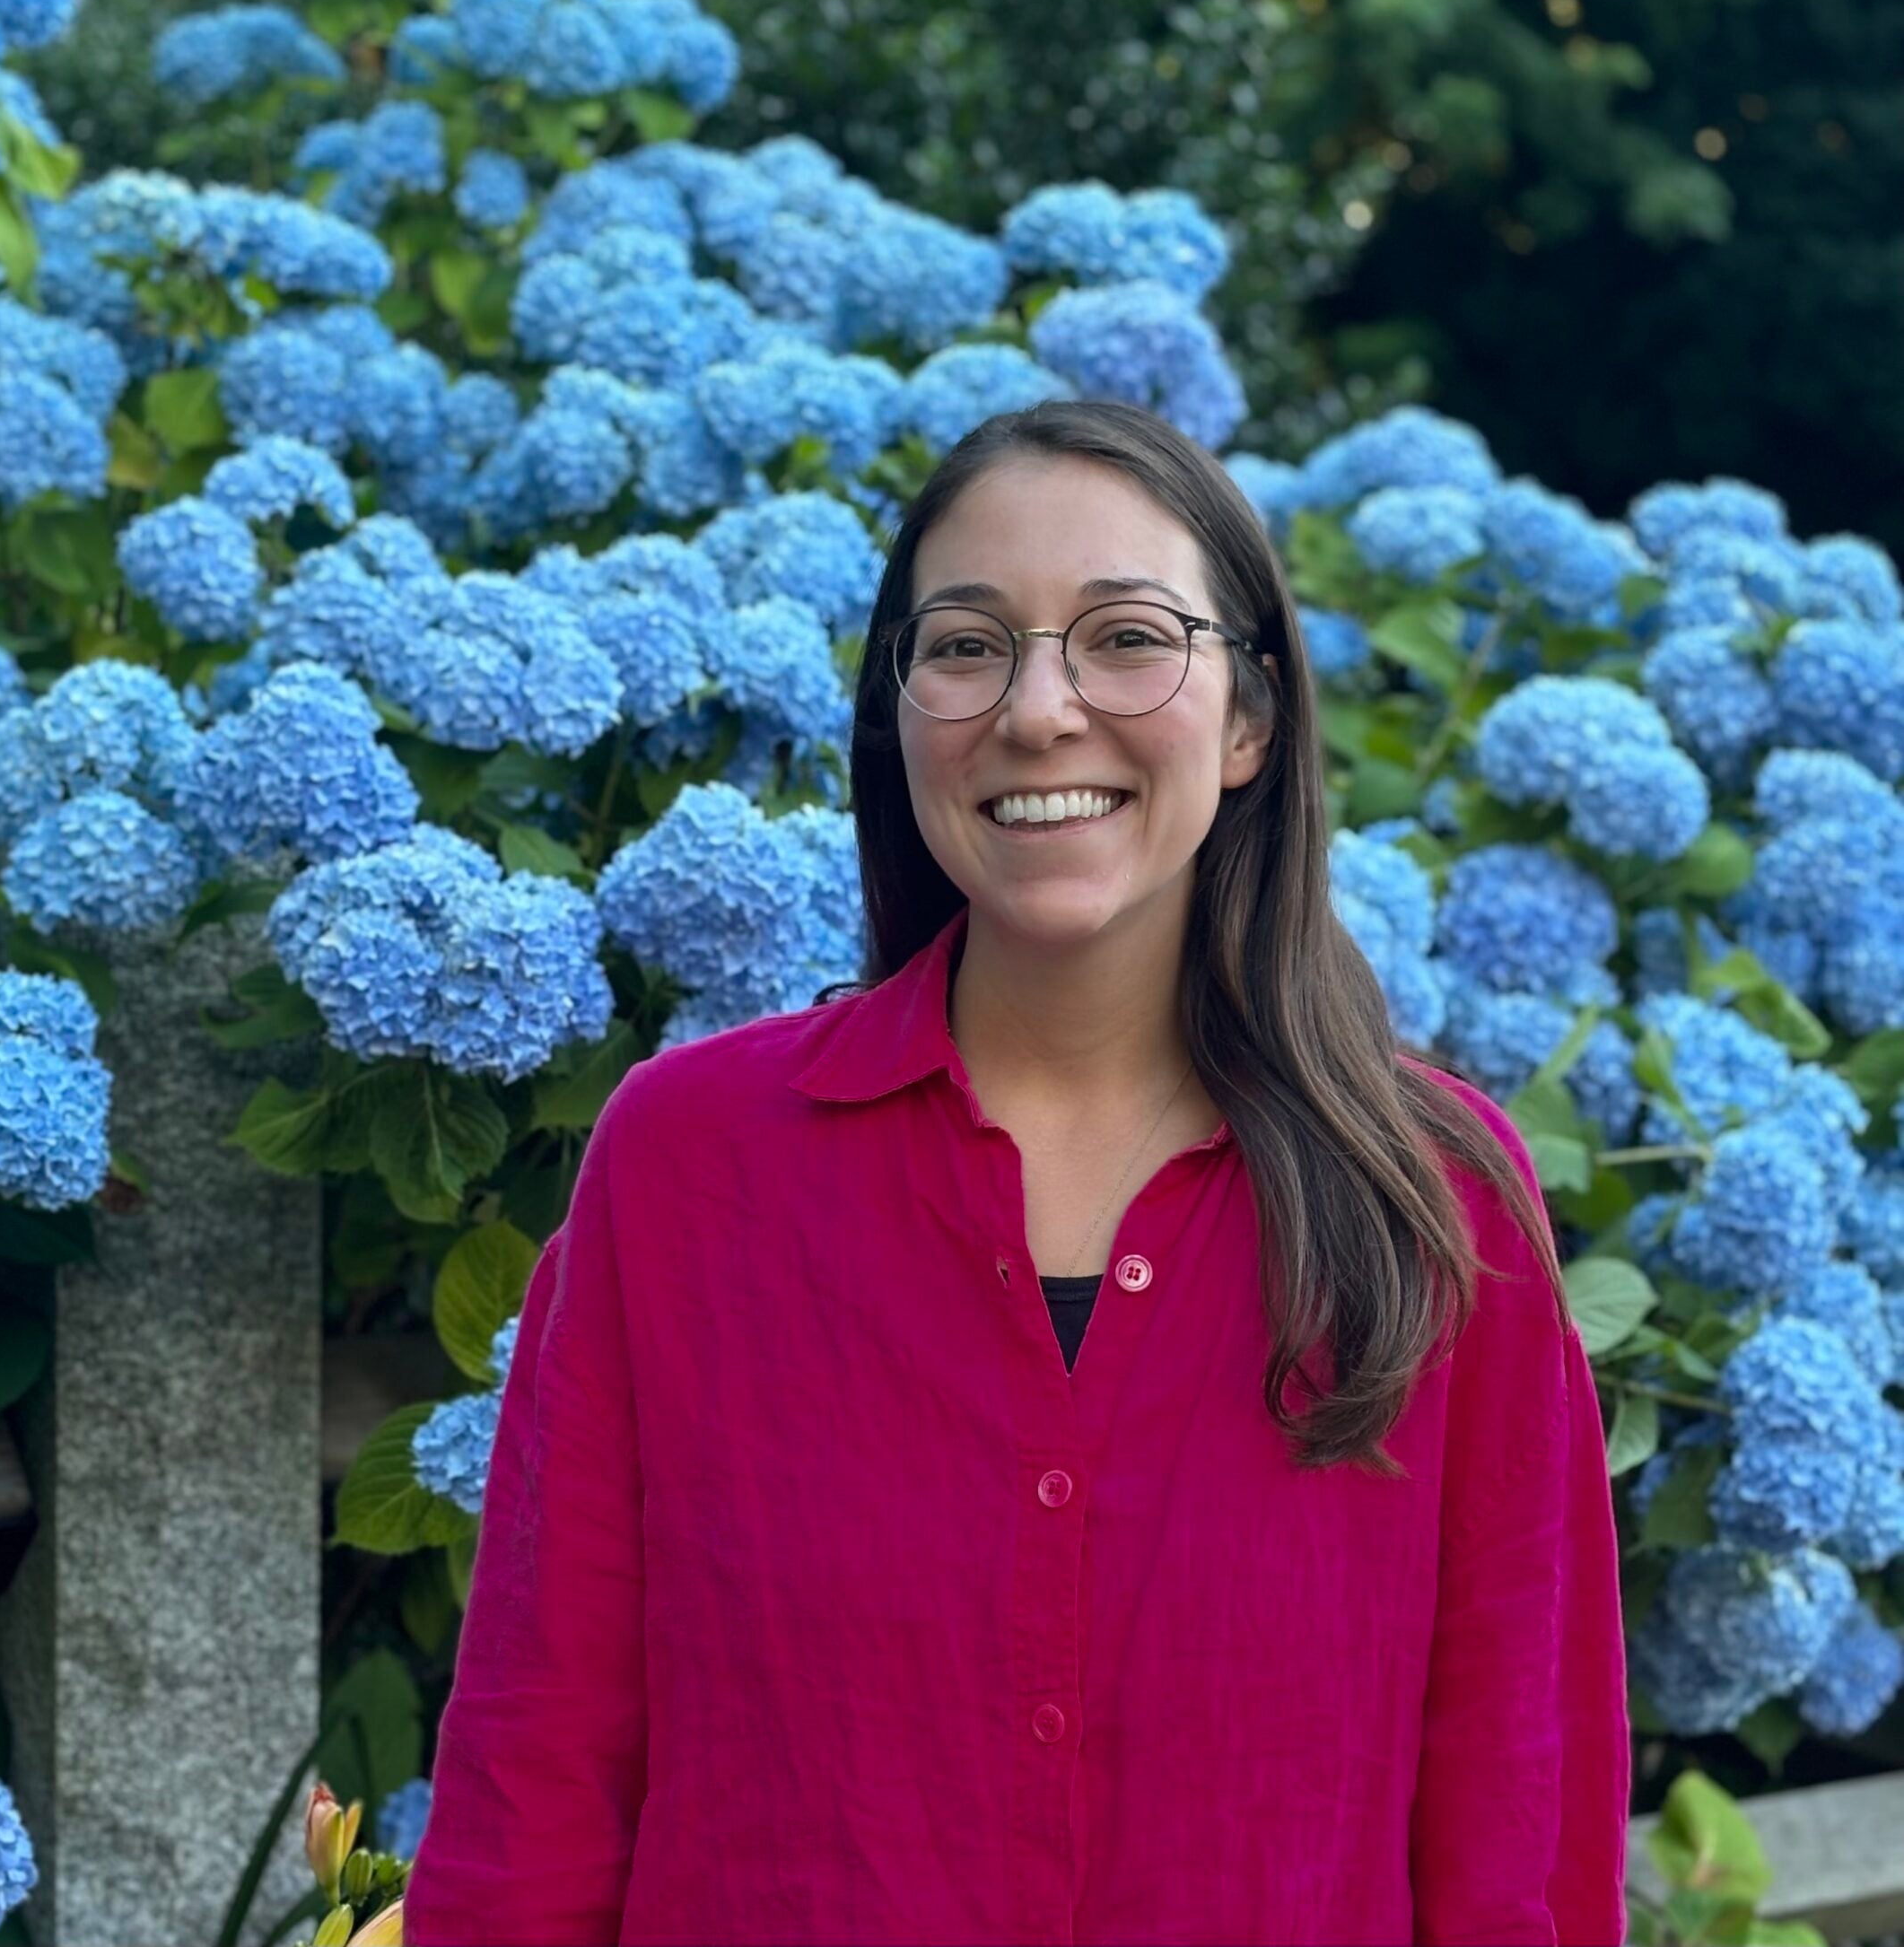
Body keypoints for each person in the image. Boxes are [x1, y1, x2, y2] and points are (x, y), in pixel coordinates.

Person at [406, 398, 1630, 1947]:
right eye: (969, 645)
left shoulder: (1442, 1206)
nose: (1039, 711)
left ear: (1251, 720)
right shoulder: (685, 1169)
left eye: (1127, 638)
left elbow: (1520, 1833)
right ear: (901, 710)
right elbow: (537, 1778)